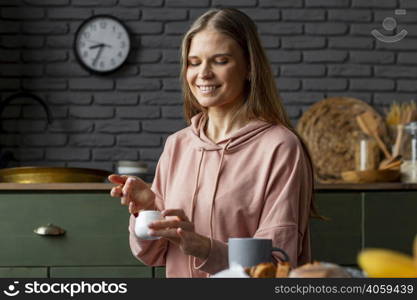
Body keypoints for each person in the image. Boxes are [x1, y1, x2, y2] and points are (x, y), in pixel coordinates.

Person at [109, 8, 316, 278]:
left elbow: (276, 264)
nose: (203, 73)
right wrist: (148, 210)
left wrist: (205, 248)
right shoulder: (177, 146)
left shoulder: (280, 147)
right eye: (194, 62)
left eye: (220, 61)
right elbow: (153, 255)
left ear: (250, 68)